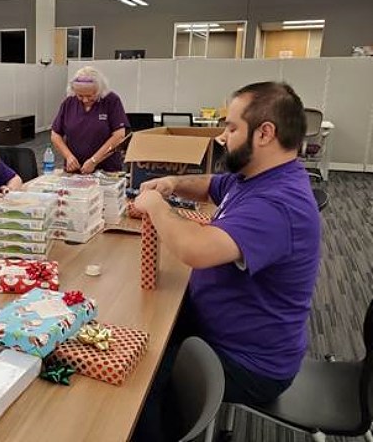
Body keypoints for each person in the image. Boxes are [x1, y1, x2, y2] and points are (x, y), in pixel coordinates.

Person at [133, 82, 321, 441]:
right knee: (144, 325)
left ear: (265, 133)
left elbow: (196, 250)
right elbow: (213, 184)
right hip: (226, 328)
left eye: (232, 128)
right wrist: (173, 182)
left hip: (249, 362)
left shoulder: (278, 204)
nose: (222, 137)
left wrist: (157, 205)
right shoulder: (256, 177)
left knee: (142, 383)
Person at [51, 66, 129, 174]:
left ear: (100, 90)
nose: (85, 100)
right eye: (80, 96)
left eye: (90, 96)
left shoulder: (111, 101)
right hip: (74, 169)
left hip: (107, 169)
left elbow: (119, 136)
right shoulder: (68, 103)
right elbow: (55, 135)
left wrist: (94, 160)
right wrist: (68, 156)